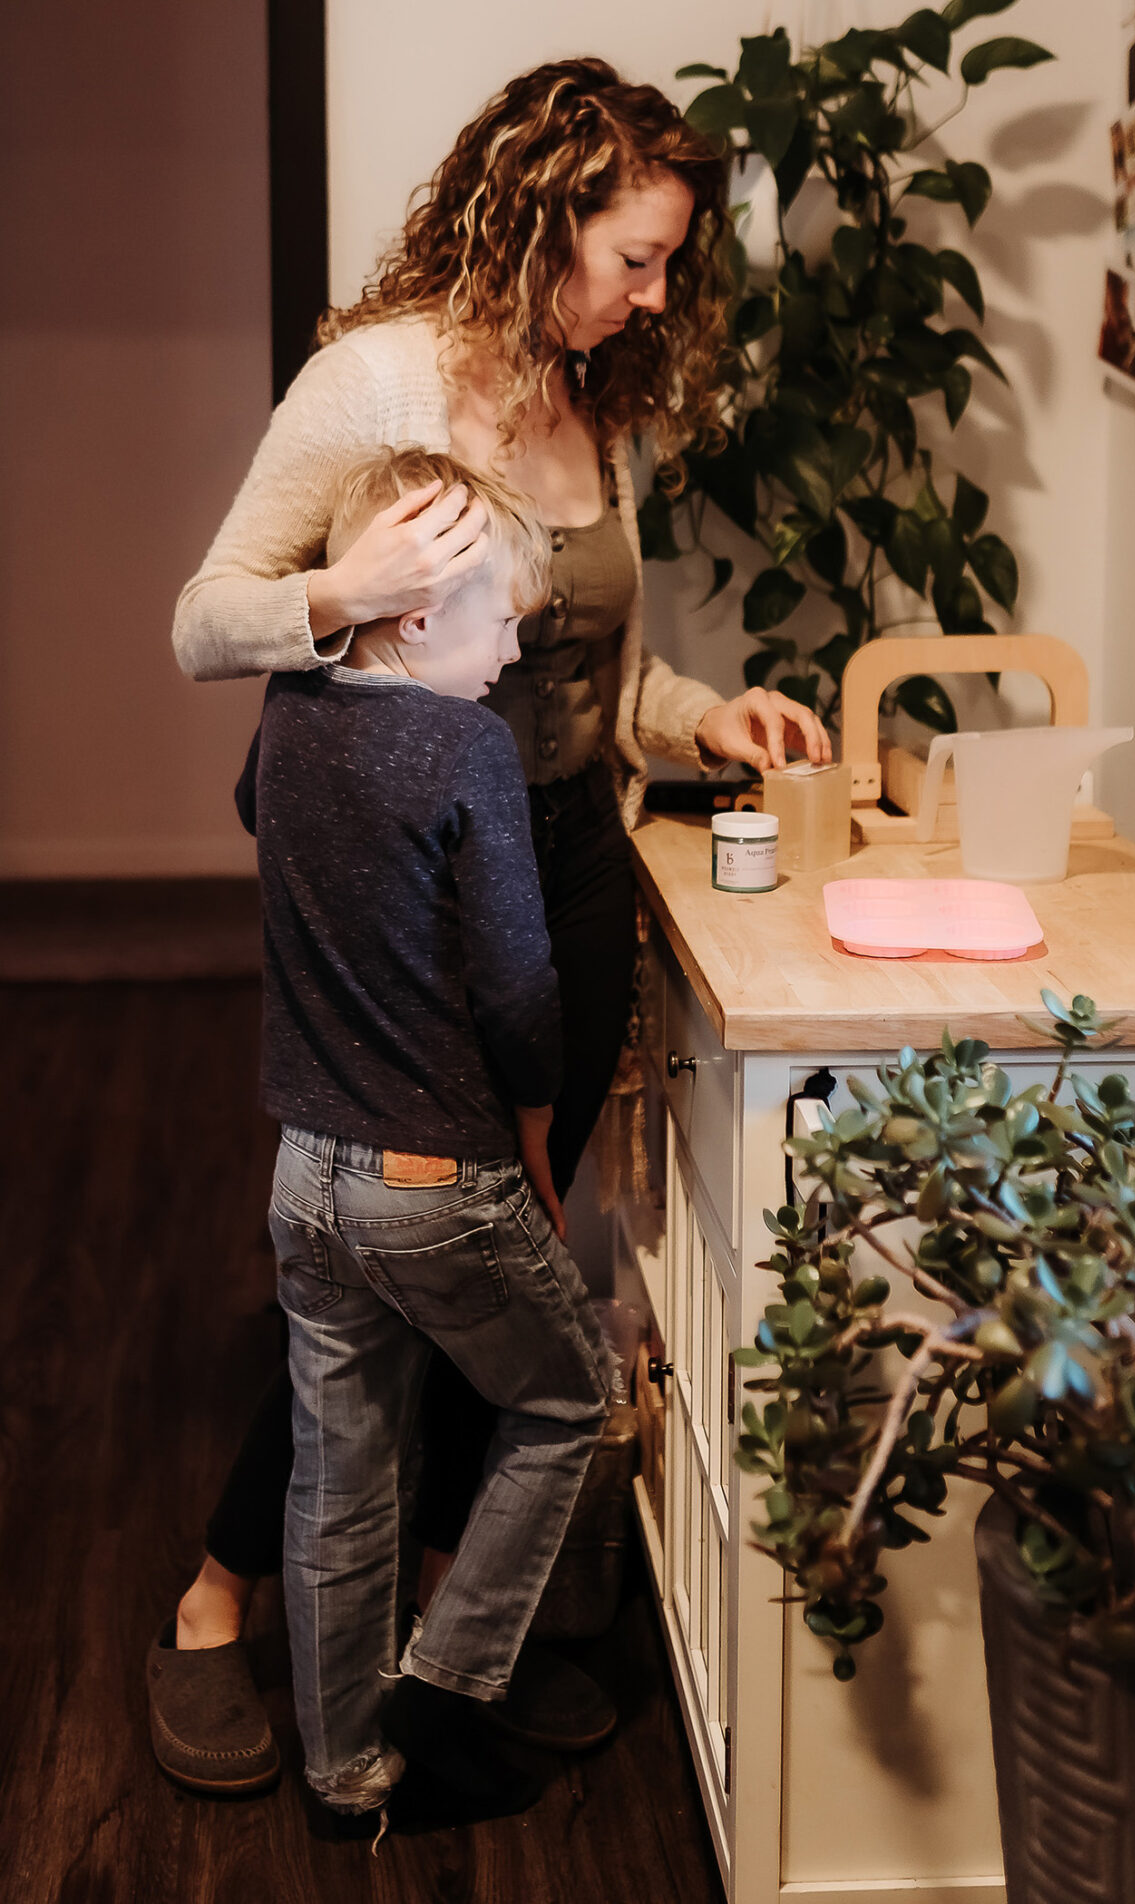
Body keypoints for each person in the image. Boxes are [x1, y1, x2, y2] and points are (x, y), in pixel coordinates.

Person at [152, 56, 831, 1797]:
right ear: (542, 213)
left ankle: (452, 1626)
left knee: (498, 1268)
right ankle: (220, 1598)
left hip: (564, 867)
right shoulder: (371, 379)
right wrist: (345, 593)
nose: (655, 295)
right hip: (403, 871)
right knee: (392, 1265)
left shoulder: (584, 393)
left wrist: (705, 720)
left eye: (671, 264)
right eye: (638, 253)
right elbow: (203, 622)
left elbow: (589, 668)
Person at [261, 446, 611, 1832]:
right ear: (415, 614)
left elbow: (259, 818)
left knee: (341, 1473)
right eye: (501, 619)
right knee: (567, 1396)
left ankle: (345, 1776)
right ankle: (448, 1682)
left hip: (306, 1172)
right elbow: (522, 988)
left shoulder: (288, 714)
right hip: (432, 1178)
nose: (515, 648)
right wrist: (531, 1124)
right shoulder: (469, 744)